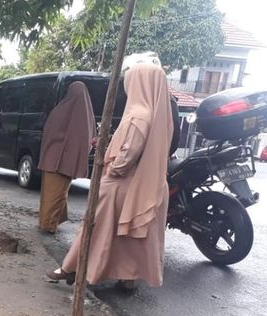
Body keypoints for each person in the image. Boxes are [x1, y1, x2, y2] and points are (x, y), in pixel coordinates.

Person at [47, 64, 173, 290]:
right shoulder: (154, 115)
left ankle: (71, 268)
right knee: (130, 238)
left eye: (131, 80)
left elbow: (127, 156)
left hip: (121, 186)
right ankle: (127, 278)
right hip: (143, 185)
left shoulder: (139, 116)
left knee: (94, 227)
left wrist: (111, 168)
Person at [37, 82, 96, 234]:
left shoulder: (61, 110)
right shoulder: (86, 117)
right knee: (57, 193)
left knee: (52, 193)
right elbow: (87, 140)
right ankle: (49, 223)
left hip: (51, 158)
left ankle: (48, 223)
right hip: (65, 161)